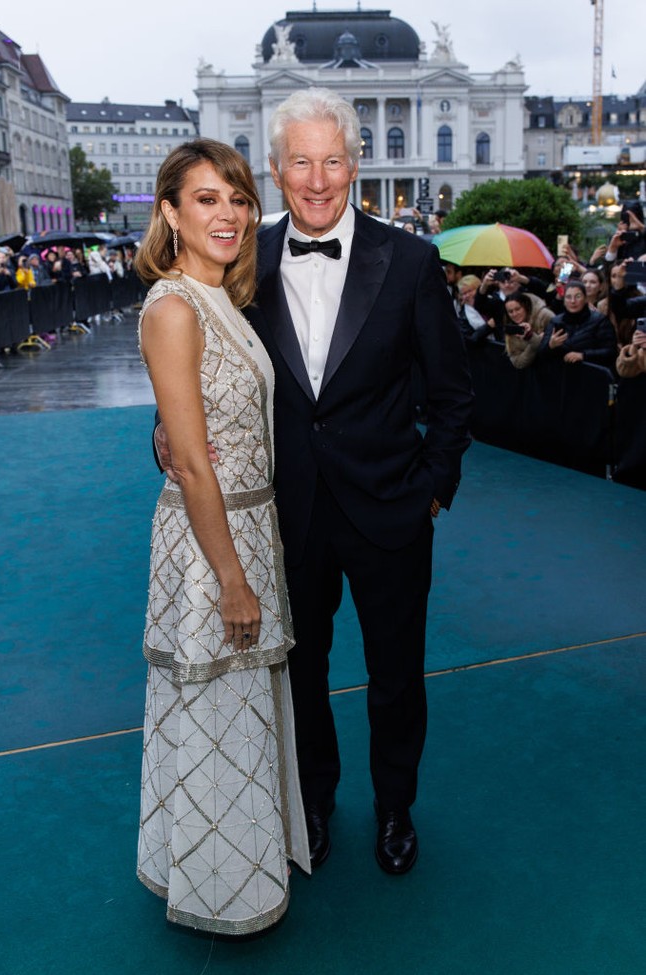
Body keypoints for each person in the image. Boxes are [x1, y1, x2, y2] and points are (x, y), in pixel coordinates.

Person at [159, 87, 473, 875]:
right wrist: (164, 433)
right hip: (284, 515)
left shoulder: (410, 261)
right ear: (274, 166)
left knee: (397, 673)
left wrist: (435, 483)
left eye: (333, 159)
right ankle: (314, 803)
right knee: (300, 671)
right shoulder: (242, 257)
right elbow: (200, 371)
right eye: (300, 159)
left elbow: (454, 393)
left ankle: (396, 804)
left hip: (392, 508)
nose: (317, 177)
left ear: (356, 164)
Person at [134, 138, 310, 935]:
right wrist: (233, 578)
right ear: (169, 212)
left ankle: (239, 861)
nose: (229, 213)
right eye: (206, 199)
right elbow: (197, 467)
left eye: (237, 198)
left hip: (247, 523)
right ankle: (215, 888)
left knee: (240, 703)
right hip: (214, 544)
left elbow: (199, 428)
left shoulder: (221, 303)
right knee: (212, 701)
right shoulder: (172, 306)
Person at [538, 279, 617, 369]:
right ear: (564, 300)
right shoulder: (555, 321)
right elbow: (541, 353)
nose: (573, 301)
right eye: (568, 297)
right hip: (561, 375)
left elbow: (610, 352)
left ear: (585, 299)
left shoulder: (599, 320)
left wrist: (583, 355)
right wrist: (550, 346)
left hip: (590, 373)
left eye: (578, 296)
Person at [502, 291, 554, 369]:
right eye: (510, 312)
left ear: (525, 306)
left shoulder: (544, 316)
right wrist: (532, 340)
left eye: (518, 309)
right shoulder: (511, 327)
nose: (515, 314)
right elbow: (517, 362)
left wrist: (532, 338)